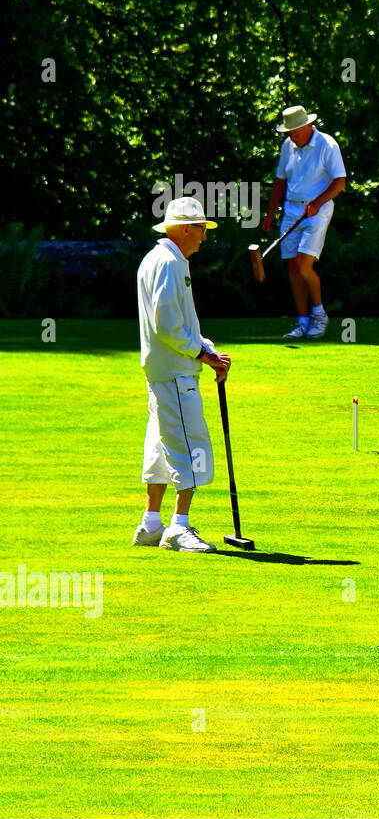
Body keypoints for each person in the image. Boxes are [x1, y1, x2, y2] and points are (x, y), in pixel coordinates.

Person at [134, 198, 232, 553]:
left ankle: (151, 524)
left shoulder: (158, 260)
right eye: (202, 229)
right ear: (184, 228)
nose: (204, 237)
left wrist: (204, 346)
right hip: (176, 373)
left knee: (161, 446)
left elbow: (180, 322)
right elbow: (167, 325)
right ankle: (179, 527)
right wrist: (201, 354)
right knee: (191, 447)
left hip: (164, 370)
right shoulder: (170, 263)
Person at [260, 104, 347, 339]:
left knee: (303, 264)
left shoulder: (327, 145)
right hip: (291, 210)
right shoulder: (288, 146)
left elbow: (340, 182)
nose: (292, 136)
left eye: (295, 131)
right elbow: (280, 181)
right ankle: (302, 321)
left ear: (308, 125)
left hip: (318, 210)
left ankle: (319, 315)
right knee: (292, 268)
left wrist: (317, 203)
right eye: (289, 132)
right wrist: (270, 213)